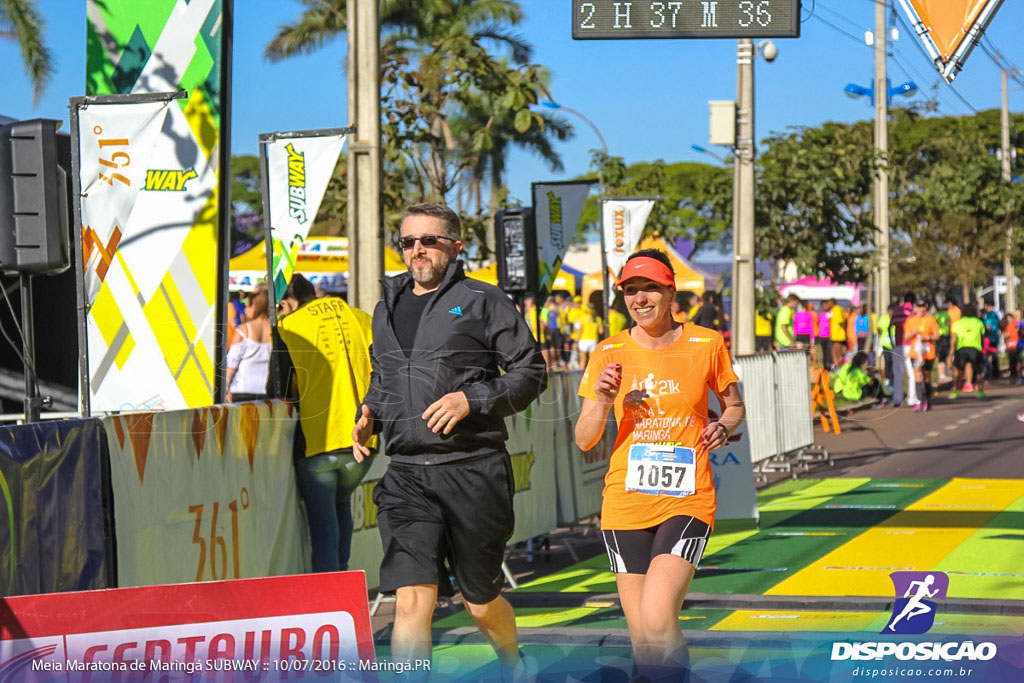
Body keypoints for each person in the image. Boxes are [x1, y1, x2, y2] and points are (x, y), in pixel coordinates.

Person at [352, 203, 546, 679]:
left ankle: (514, 662)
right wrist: (370, 413)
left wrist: (472, 399)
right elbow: (385, 376)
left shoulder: (483, 299)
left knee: (480, 602)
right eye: (407, 241)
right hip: (407, 477)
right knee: (411, 600)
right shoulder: (385, 308)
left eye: (429, 240)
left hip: (474, 468)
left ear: (455, 247)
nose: (417, 250)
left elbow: (531, 372)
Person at [574, 249, 744, 681]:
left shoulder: (707, 342)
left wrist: (723, 427)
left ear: (671, 292)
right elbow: (584, 438)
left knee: (656, 612)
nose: (640, 298)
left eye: (650, 287)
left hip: (686, 498)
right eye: (631, 290)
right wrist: (605, 398)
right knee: (643, 637)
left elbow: (734, 408)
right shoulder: (609, 352)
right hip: (625, 501)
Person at [271, 274, 375, 573]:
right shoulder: (360, 318)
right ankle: (344, 582)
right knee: (340, 504)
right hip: (364, 438)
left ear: (287, 303)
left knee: (322, 526)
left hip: (318, 438)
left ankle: (331, 598)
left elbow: (277, 388)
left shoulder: (289, 326)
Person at [225, 282, 272, 402]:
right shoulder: (277, 331)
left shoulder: (244, 330)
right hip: (268, 391)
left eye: (248, 306)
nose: (244, 310)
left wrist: (225, 386)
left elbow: (232, 363)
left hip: (242, 389)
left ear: (256, 307)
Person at [904, 299, 939, 412]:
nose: (920, 309)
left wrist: (927, 338)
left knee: (927, 376)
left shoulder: (931, 319)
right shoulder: (910, 320)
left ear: (926, 307)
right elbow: (906, 337)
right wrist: (913, 332)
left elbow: (936, 336)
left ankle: (928, 399)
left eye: (922, 307)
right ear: (914, 309)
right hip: (916, 352)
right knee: (917, 374)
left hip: (928, 352)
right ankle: (919, 400)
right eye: (918, 307)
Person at [949, 303, 986, 399]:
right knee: (979, 370)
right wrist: (981, 348)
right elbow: (982, 337)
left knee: (957, 371)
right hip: (975, 348)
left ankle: (955, 391)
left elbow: (953, 339)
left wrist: (951, 352)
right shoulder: (979, 322)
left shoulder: (957, 323)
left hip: (961, 348)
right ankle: (981, 391)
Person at [575, 301, 603, 370]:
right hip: (594, 340)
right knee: (592, 362)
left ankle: (581, 378)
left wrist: (576, 341)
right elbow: (601, 331)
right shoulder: (598, 319)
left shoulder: (583, 318)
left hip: (584, 340)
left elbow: (580, 331)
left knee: (582, 361)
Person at [982, 301, 1002, 381]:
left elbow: (988, 326)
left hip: (989, 338)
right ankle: (996, 372)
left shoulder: (988, 315)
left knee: (989, 356)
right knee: (994, 355)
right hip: (996, 336)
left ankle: (990, 373)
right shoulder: (997, 314)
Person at [935, 303, 952, 383]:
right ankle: (943, 374)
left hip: (938, 337)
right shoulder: (946, 315)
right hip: (945, 336)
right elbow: (949, 325)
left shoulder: (936, 315)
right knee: (945, 355)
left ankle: (941, 375)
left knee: (940, 356)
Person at [829, 299, 848, 368]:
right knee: (835, 352)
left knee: (837, 353)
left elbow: (841, 322)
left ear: (832, 303)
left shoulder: (836, 309)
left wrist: (845, 331)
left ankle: (839, 368)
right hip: (836, 335)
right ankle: (838, 367)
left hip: (838, 335)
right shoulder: (836, 309)